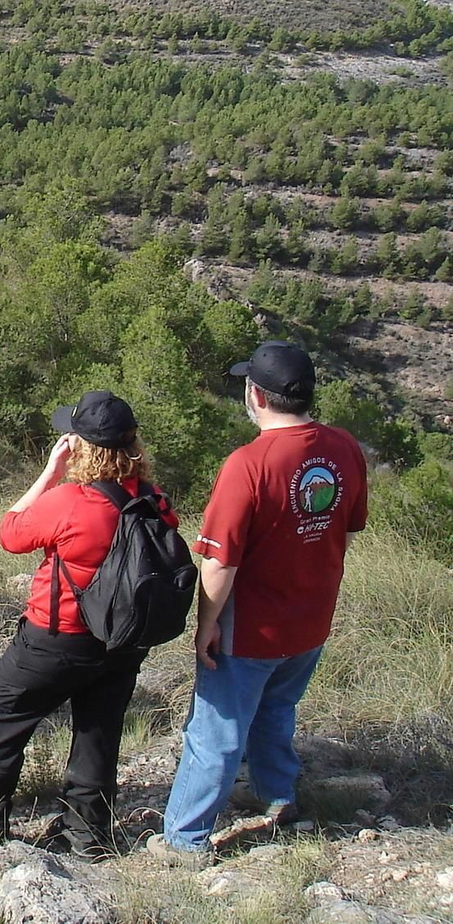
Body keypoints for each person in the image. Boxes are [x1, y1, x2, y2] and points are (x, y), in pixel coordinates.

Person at [149, 342, 368, 866]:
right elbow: (348, 526)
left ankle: (184, 840)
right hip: (311, 620)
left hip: (251, 629)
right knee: (277, 709)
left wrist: (206, 624)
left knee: (216, 733)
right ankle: (278, 797)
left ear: (255, 394)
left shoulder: (248, 465)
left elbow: (220, 563)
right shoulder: (344, 448)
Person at [0, 391, 181, 859]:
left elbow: (10, 532)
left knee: (0, 716)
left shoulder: (69, 501)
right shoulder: (154, 501)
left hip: (58, 636)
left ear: (80, 446)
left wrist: (49, 472)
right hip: (123, 640)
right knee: (98, 731)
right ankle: (87, 835)